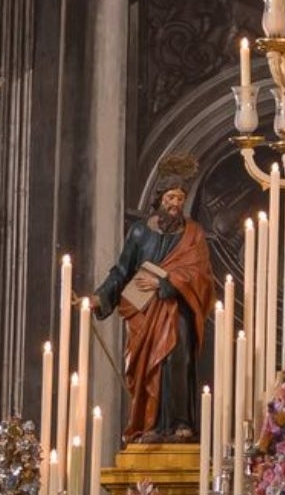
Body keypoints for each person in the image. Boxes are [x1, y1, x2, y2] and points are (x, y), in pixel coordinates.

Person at [92, 155, 216, 443]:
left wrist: (165, 282)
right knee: (148, 366)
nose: (176, 204)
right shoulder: (140, 232)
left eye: (180, 198)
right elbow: (122, 270)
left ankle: (181, 423)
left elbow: (201, 275)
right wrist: (100, 298)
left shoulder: (193, 233)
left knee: (176, 361)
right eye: (171, 197)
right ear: (160, 198)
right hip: (145, 314)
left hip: (177, 311)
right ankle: (150, 426)